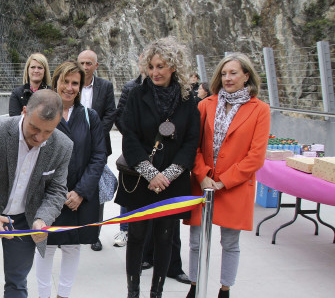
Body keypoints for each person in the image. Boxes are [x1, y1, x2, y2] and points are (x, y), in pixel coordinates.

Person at [0, 90, 73, 298]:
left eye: (48, 132)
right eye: (34, 128)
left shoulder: (63, 146)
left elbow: (57, 189)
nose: (39, 138)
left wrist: (42, 219)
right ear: (24, 111)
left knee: (17, 281)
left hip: (24, 220)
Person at [115, 36, 200, 298]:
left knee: (166, 238)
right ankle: (134, 292)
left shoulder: (188, 100)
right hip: (141, 180)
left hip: (173, 182)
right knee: (137, 237)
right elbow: (128, 138)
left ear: (173, 66)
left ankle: (157, 292)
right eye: (151, 67)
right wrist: (151, 174)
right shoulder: (137, 95)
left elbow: (191, 142)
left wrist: (169, 174)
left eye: (161, 66)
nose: (155, 72)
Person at [185, 54, 270, 298]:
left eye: (233, 73)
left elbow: (256, 156)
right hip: (203, 183)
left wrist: (225, 181)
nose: (227, 78)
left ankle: (225, 289)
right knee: (196, 242)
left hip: (234, 186)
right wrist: (201, 175)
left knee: (230, 243)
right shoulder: (206, 104)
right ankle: (194, 285)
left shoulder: (260, 110)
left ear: (246, 76)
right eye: (224, 73)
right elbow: (195, 146)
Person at [33, 62, 106, 298]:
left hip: (79, 195)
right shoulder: (43, 112)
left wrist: (81, 191)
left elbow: (98, 155)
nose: (69, 87)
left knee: (73, 247)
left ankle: (63, 294)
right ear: (56, 82)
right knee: (46, 247)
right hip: (47, 194)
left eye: (75, 83)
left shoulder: (90, 116)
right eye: (65, 81)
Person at [77, 49, 117, 251]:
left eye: (89, 63)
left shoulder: (105, 86)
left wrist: (94, 136)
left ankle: (94, 234)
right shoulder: (70, 84)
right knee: (71, 188)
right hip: (73, 147)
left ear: (96, 66)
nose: (85, 67)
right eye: (82, 63)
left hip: (98, 146)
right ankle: (69, 230)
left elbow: (110, 113)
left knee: (96, 191)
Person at [113, 54, 145, 248]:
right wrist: (132, 139)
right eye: (143, 62)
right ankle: (124, 229)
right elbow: (119, 117)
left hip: (154, 151)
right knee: (128, 189)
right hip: (132, 151)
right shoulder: (130, 87)